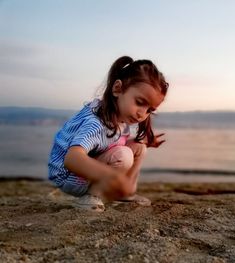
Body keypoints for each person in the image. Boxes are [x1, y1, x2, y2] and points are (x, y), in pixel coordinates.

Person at [48, 56, 168, 212]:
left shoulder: (118, 117)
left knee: (139, 147)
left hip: (85, 169)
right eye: (139, 102)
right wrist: (110, 176)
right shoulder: (96, 124)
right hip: (69, 177)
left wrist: (146, 141)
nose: (142, 114)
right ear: (117, 89)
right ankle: (91, 196)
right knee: (123, 155)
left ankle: (125, 193)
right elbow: (71, 159)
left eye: (149, 110)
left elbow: (110, 142)